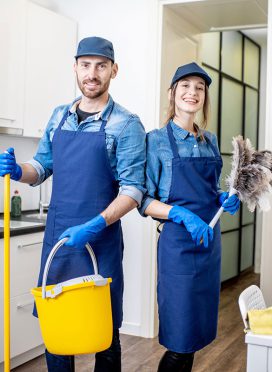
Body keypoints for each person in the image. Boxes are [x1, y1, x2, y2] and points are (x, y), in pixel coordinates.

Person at [0, 36, 146, 372]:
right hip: (59, 241)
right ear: (75, 68)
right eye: (85, 65)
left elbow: (134, 189)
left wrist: (96, 224)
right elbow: (41, 167)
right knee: (57, 330)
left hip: (101, 240)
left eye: (101, 66)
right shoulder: (58, 117)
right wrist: (18, 170)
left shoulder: (126, 123)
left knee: (105, 334)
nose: (92, 73)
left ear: (114, 70)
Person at [139, 62, 240, 371]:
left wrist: (223, 198)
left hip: (208, 245)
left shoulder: (209, 140)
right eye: (185, 85)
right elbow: (143, 201)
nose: (193, 92)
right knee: (180, 340)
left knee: (196, 335)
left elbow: (210, 190)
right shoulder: (156, 140)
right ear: (172, 93)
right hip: (178, 249)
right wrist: (180, 214)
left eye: (200, 87)